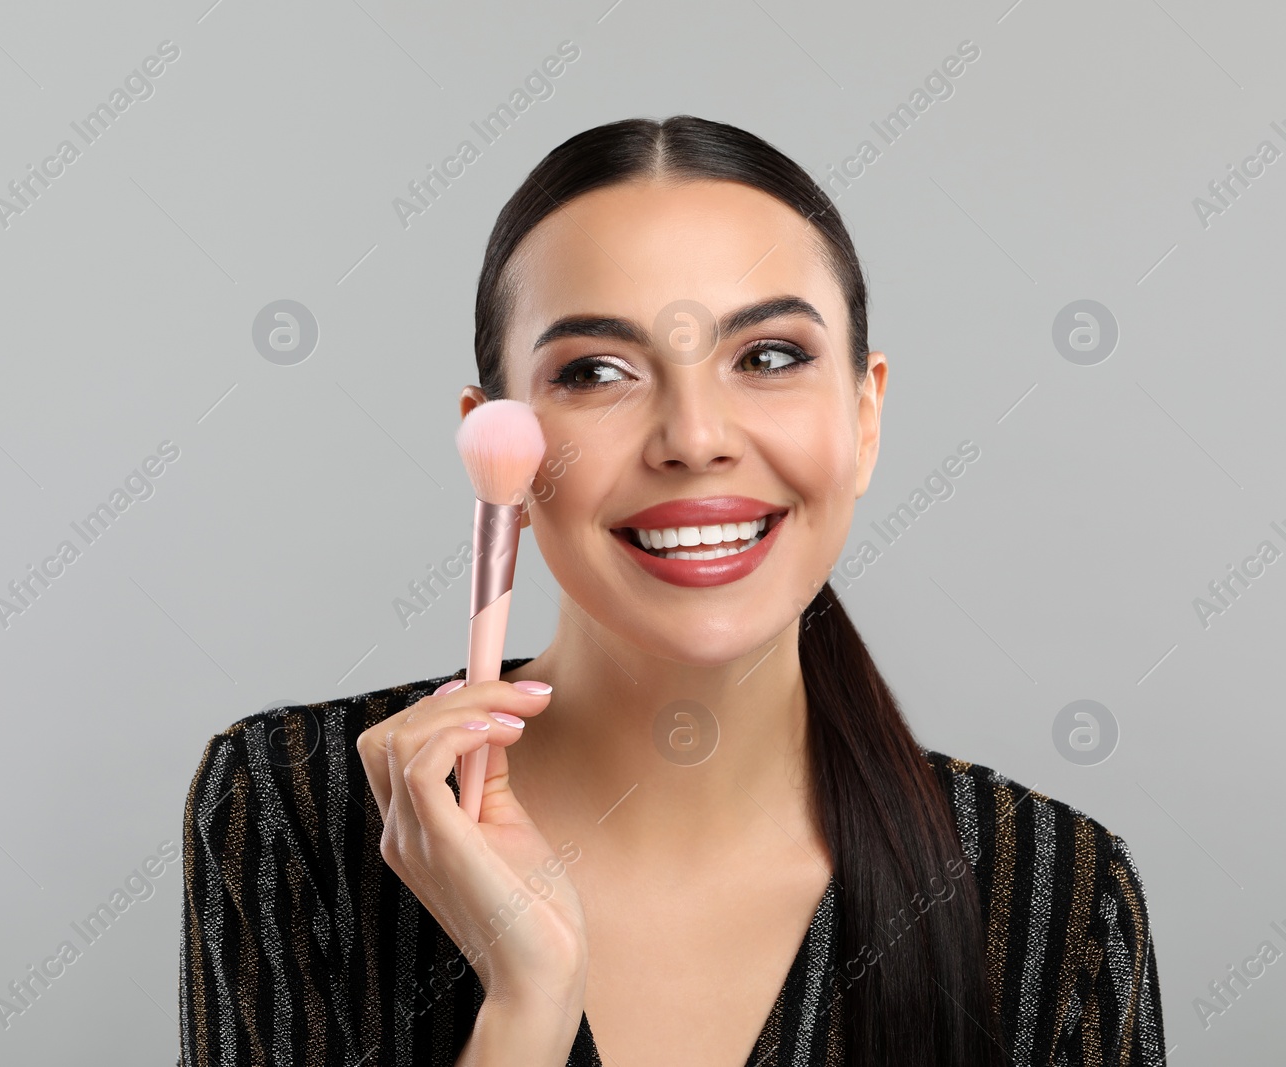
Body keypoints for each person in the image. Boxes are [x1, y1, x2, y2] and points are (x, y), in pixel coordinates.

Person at [177, 114, 1166, 1066]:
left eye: (768, 356)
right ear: (500, 448)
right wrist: (524, 1005)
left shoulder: (1056, 895)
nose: (694, 437)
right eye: (598, 370)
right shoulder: (294, 811)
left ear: (864, 418)